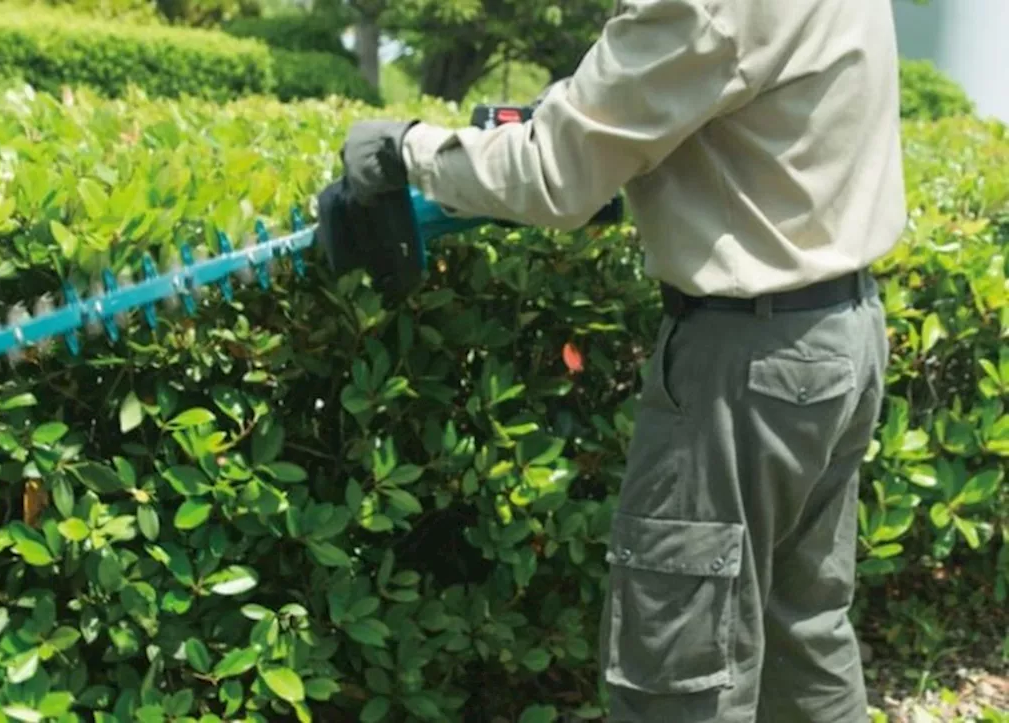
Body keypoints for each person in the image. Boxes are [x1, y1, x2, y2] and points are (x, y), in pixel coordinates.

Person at [336, 0, 905, 721]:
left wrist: (404, 149)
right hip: (839, 332)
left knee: (680, 673)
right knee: (805, 639)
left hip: (744, 364)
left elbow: (553, 173)